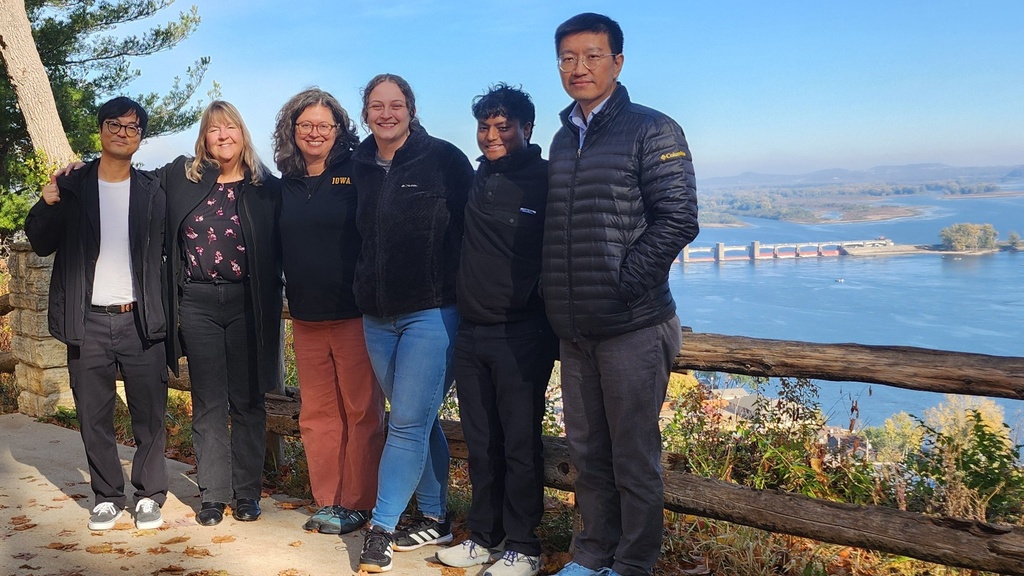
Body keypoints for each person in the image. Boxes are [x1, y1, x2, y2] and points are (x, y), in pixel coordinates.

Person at [542, 13, 699, 576]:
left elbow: (678, 219)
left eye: (591, 55)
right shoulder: (563, 139)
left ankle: (633, 564)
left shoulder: (652, 130)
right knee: (589, 456)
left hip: (632, 324)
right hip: (575, 328)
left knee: (634, 458)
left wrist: (620, 287)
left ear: (618, 62)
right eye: (567, 58)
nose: (578, 67)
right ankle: (592, 554)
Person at [25, 97, 169, 531]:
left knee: (150, 412)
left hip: (139, 319)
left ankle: (149, 495)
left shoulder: (152, 190)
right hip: (86, 319)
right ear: (101, 130)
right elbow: (40, 241)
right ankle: (107, 495)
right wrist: (47, 200)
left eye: (133, 127)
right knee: (93, 413)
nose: (123, 132)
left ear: (140, 138)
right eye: (114, 124)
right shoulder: (72, 186)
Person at [352, 73, 474, 573]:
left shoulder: (444, 160)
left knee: (403, 423)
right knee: (416, 420)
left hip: (432, 311)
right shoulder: (356, 163)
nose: (386, 113)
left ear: (411, 109)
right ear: (365, 113)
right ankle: (434, 517)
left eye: (395, 104)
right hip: (376, 317)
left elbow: (473, 232)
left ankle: (380, 529)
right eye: (377, 105)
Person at [435, 84, 557, 576]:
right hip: (473, 330)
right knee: (481, 441)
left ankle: (524, 546)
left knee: (521, 443)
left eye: (503, 126)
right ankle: (484, 537)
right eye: (485, 126)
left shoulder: (547, 180)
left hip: (523, 332)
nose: (491, 135)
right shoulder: (477, 176)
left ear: (527, 128)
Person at [162, 100, 283, 526]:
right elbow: (130, 184)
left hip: (248, 304)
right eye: (215, 129)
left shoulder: (267, 188)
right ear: (204, 138)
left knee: (248, 402)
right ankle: (213, 495)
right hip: (196, 302)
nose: (224, 135)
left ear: (242, 133)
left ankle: (248, 494)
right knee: (208, 402)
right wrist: (76, 174)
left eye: (230, 126)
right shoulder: (183, 178)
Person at [272, 88, 384, 535]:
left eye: (324, 125)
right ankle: (328, 500)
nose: (315, 132)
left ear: (339, 130)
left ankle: (358, 502)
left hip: (355, 314)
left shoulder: (357, 172)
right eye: (306, 125)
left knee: (362, 411)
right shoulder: (284, 185)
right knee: (317, 413)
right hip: (306, 317)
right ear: (293, 131)